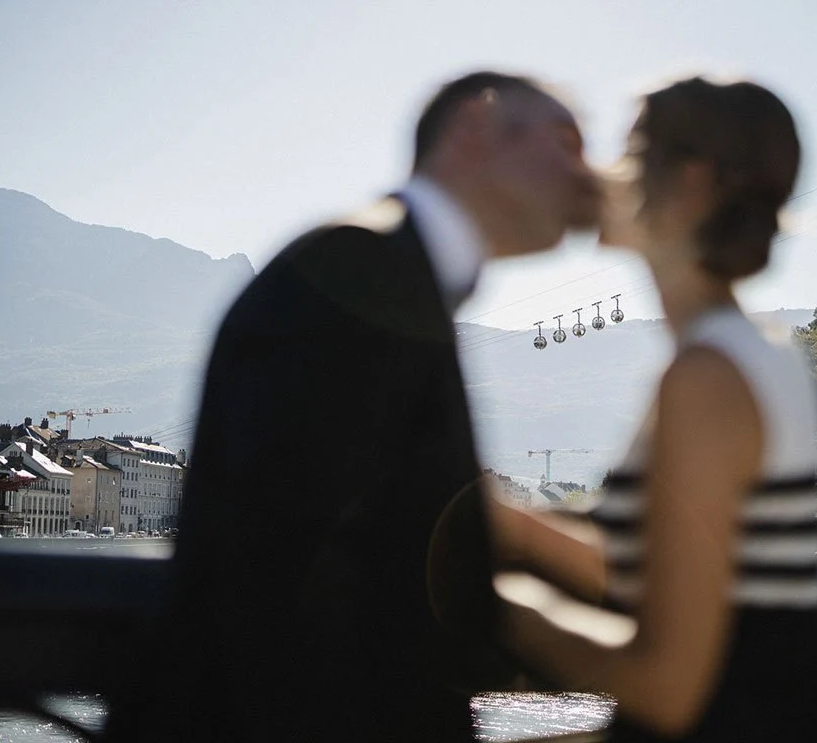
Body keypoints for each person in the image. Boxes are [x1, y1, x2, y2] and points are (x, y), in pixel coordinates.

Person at [135, 71, 601, 742]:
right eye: (566, 142)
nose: (589, 175)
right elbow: (288, 581)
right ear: (476, 123)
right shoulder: (358, 269)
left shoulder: (383, 267)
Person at [487, 76, 817, 741]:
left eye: (629, 153)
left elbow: (668, 689)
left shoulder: (706, 379)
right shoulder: (754, 350)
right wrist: (512, 527)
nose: (602, 174)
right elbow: (672, 572)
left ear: (689, 182)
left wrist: (516, 612)